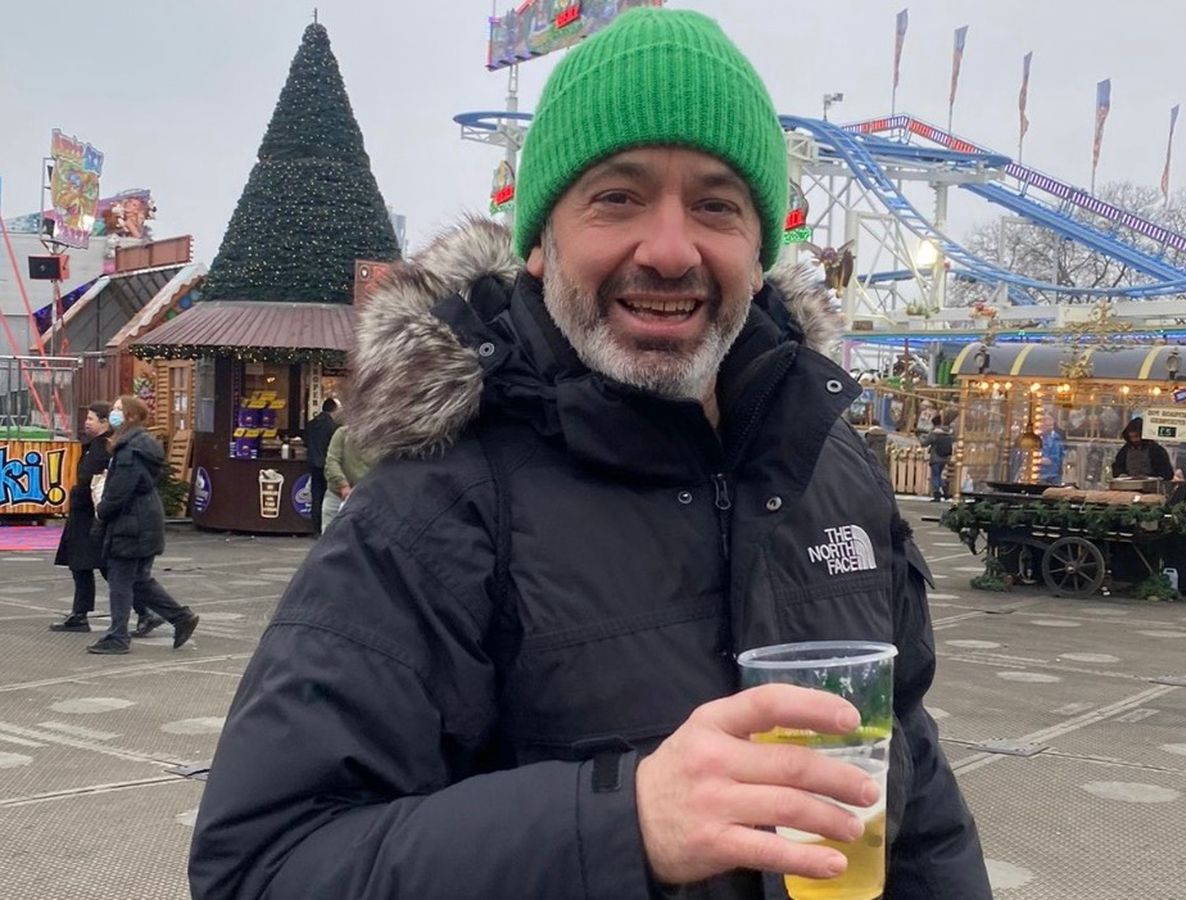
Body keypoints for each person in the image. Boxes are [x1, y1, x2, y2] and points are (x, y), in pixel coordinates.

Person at [190, 9, 989, 899]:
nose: (671, 250)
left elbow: (913, 769)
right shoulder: (435, 510)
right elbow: (264, 865)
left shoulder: (832, 467)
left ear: (761, 250)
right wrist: (623, 824)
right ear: (540, 242)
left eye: (717, 205)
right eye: (617, 197)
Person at [86, 395, 200, 655]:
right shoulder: (138, 444)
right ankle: (181, 617)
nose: (113, 414)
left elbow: (120, 490)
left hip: (132, 523)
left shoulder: (130, 449)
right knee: (137, 579)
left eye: (118, 410)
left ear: (131, 416)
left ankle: (118, 637)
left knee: (120, 581)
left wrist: (102, 511)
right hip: (143, 518)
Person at [50, 403, 160, 635]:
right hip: (85, 515)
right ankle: (81, 614)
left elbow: (109, 485)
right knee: (83, 566)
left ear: (104, 422)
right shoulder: (98, 445)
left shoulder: (110, 447)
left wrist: (102, 511)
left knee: (111, 572)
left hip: (95, 516)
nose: (86, 422)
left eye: (91, 418)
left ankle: (146, 615)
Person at [320, 423, 373, 531]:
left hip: (367, 497)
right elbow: (332, 461)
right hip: (337, 495)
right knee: (329, 534)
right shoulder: (342, 433)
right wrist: (343, 485)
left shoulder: (379, 438)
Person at [302, 397, 339, 533]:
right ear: (334, 410)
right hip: (327, 464)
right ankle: (326, 526)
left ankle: (315, 527)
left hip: (313, 463)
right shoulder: (333, 427)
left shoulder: (311, 424)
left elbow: (305, 442)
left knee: (316, 495)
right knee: (328, 496)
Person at [920, 414, 954, 501]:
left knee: (935, 476)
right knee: (938, 475)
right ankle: (945, 491)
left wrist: (921, 437)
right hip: (945, 457)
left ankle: (937, 494)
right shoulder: (947, 432)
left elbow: (925, 443)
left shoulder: (934, 433)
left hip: (936, 457)